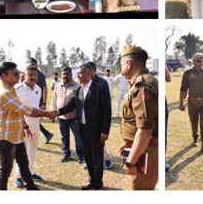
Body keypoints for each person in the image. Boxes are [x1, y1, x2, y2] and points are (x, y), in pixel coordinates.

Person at [0, 61, 55, 190]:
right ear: (4, 75)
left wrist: (25, 127)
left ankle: (31, 186)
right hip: (6, 138)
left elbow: (18, 112)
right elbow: (28, 110)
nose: (18, 76)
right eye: (15, 73)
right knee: (5, 171)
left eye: (18, 73)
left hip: (17, 135)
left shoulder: (11, 89)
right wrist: (48, 113)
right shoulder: (6, 93)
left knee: (24, 163)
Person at [55, 63, 112, 190]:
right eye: (77, 73)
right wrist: (57, 112)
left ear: (88, 74)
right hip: (83, 129)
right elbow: (71, 106)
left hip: (97, 130)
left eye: (80, 73)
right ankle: (91, 182)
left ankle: (98, 184)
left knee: (97, 158)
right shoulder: (79, 89)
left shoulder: (100, 88)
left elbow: (107, 111)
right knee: (88, 157)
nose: (78, 76)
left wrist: (105, 131)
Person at [118, 45, 158, 190]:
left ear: (128, 64)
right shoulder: (141, 81)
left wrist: (130, 162)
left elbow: (146, 129)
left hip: (145, 151)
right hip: (142, 147)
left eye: (121, 64)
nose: (121, 67)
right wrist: (129, 143)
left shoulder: (142, 85)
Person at [179, 53, 203, 154]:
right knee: (194, 121)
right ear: (194, 62)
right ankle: (195, 138)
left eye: (202, 61)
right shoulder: (187, 73)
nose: (202, 63)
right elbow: (183, 89)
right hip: (192, 100)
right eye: (199, 61)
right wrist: (181, 103)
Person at [13, 66, 44, 186]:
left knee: (32, 151)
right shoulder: (18, 89)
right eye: (30, 75)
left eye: (35, 75)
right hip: (22, 127)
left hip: (36, 125)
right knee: (21, 153)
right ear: (24, 75)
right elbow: (16, 110)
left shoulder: (38, 88)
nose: (33, 77)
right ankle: (18, 176)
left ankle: (30, 171)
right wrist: (24, 126)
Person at [51, 66, 84, 164]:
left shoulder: (77, 86)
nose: (65, 76)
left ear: (71, 75)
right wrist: (53, 112)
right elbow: (54, 101)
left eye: (67, 74)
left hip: (74, 117)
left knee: (78, 138)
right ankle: (66, 153)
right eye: (63, 74)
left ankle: (81, 156)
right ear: (61, 75)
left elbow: (78, 103)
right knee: (64, 137)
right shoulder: (57, 86)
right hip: (61, 117)